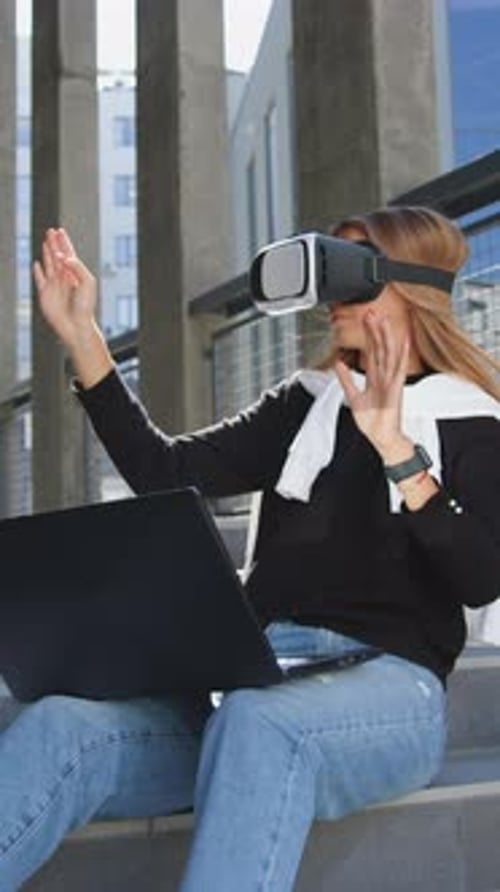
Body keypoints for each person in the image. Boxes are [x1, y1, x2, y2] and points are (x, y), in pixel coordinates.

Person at [1, 206, 500, 892]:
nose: (329, 301)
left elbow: (481, 576)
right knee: (63, 725)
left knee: (259, 722)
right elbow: (165, 472)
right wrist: (84, 336)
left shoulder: (473, 421)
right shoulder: (304, 407)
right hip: (253, 678)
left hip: (387, 691)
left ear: (410, 288)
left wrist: (397, 452)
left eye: (348, 276)